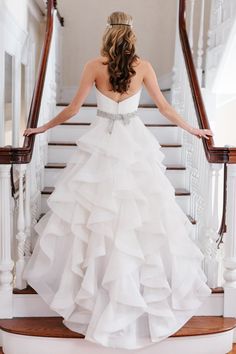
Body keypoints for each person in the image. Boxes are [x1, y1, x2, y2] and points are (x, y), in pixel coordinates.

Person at [23, 11, 213, 350]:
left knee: (95, 221)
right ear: (131, 35)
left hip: (102, 141)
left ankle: (97, 296)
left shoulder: (94, 66)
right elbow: (166, 108)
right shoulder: (144, 66)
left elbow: (72, 110)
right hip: (134, 141)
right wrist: (193, 129)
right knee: (133, 223)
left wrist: (42, 128)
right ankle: (127, 295)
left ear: (107, 35)